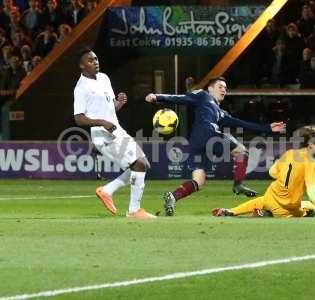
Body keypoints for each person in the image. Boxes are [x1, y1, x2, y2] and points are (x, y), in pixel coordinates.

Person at [145, 77, 285, 216]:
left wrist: (266, 128)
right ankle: (238, 185)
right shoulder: (203, 96)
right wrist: (158, 97)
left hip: (196, 143)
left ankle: (173, 196)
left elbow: (240, 123)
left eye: (225, 87)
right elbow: (182, 98)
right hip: (209, 135)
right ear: (210, 88)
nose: (224, 89)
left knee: (198, 181)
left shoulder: (220, 113)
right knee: (241, 151)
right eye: (220, 86)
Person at [73, 48, 155, 220]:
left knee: (143, 164)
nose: (95, 62)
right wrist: (102, 122)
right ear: (81, 65)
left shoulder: (103, 78)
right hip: (103, 135)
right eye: (90, 60)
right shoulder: (81, 88)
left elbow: (109, 108)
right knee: (139, 164)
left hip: (116, 130)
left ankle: (107, 190)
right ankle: (134, 211)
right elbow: (79, 119)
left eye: (96, 58)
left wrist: (118, 103)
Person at [212, 125, 315, 219]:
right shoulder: (310, 163)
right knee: (310, 209)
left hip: (271, 195)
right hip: (286, 208)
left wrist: (287, 178)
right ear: (311, 144)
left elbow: (272, 172)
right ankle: (265, 214)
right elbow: (313, 193)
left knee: (262, 201)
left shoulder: (289, 153)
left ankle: (231, 211)